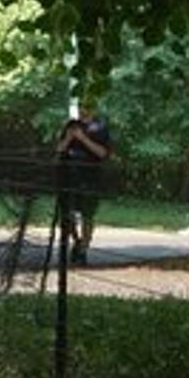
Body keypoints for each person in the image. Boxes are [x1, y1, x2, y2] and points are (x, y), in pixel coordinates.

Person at [55, 104, 113, 263]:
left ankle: (83, 251)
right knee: (67, 215)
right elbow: (59, 149)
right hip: (68, 177)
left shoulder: (101, 127)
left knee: (88, 215)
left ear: (93, 109)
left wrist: (83, 139)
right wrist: (68, 138)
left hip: (90, 178)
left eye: (87, 107)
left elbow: (102, 153)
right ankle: (76, 241)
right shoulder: (71, 125)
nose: (82, 110)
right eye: (81, 107)